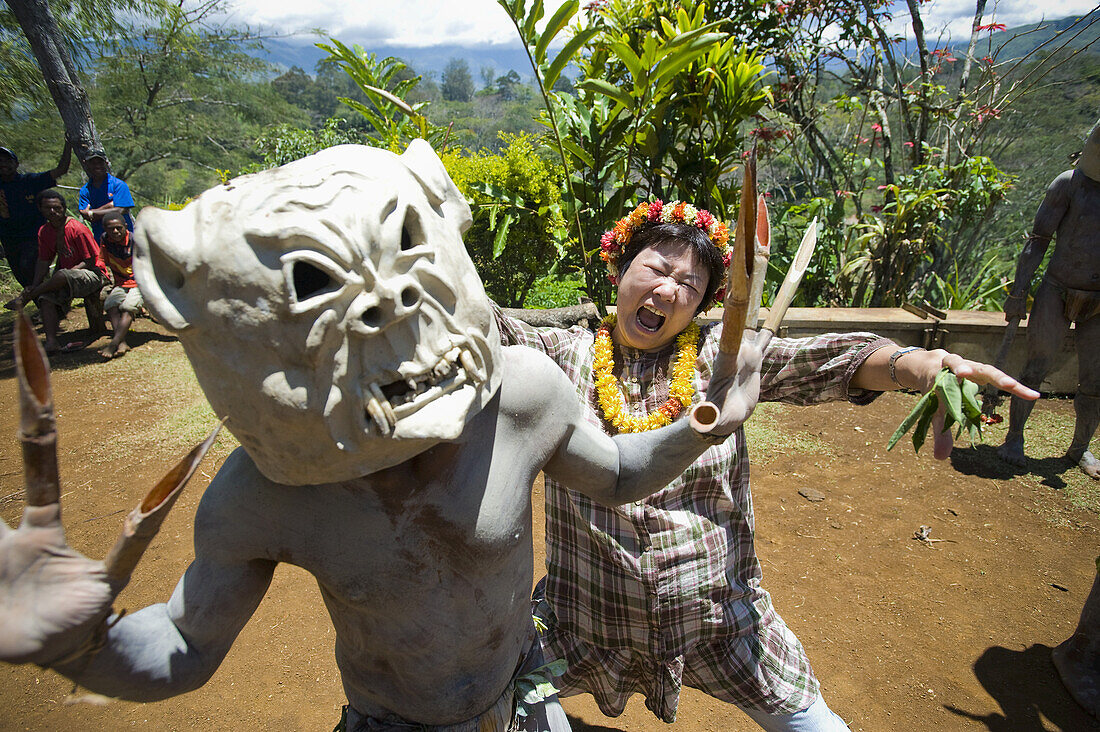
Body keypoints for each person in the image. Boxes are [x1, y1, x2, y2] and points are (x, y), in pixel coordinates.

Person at [0, 143, 765, 731]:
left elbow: (622, 472)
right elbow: (187, 645)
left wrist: (704, 427)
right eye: (313, 289)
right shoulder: (265, 495)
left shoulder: (521, 396)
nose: (383, 311)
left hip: (526, 695)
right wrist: (81, 646)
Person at [494, 199, 1039, 731]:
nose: (667, 289)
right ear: (618, 266)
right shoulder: (556, 355)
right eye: (656, 268)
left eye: (689, 285)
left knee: (814, 725)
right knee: (504, 697)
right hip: (580, 619)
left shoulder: (725, 359)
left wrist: (917, 366)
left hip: (721, 622)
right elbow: (473, 324)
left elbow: (832, 358)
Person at [997, 121, 1100, 480]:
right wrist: (1018, 293)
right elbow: (1038, 240)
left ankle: (1079, 448)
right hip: (1057, 289)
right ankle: (1013, 438)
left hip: (1098, 301)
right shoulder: (1068, 184)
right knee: (1035, 367)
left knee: (1095, 380)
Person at [6, 189, 110, 354]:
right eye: (48, 208)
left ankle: (26, 297)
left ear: (63, 208)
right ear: (40, 209)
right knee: (46, 298)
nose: (53, 212)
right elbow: (44, 260)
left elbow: (90, 261)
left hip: (94, 274)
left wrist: (68, 274)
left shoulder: (77, 228)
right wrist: (35, 284)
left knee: (61, 274)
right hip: (68, 277)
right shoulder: (45, 231)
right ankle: (52, 342)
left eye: (57, 208)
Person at [0, 142, 72, 287]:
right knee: (22, 277)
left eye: (8, 160)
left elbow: (61, 169)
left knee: (31, 270)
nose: (3, 164)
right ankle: (45, 306)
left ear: (16, 163)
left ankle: (49, 304)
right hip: (9, 240)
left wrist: (68, 145)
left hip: (34, 238)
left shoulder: (30, 181)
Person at [97, 210, 142, 359]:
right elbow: (101, 260)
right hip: (121, 282)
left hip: (140, 283)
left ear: (125, 226)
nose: (115, 231)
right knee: (110, 304)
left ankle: (112, 344)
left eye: (118, 228)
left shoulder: (136, 241)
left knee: (128, 307)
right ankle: (121, 342)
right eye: (110, 229)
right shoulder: (105, 240)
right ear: (105, 230)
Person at [78, 149, 134, 242]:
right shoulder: (85, 190)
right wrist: (109, 206)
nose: (97, 166)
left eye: (100, 162)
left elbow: (121, 210)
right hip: (101, 239)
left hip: (123, 239)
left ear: (106, 163)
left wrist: (91, 212)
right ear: (86, 164)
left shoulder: (118, 185)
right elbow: (85, 215)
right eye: (93, 163)